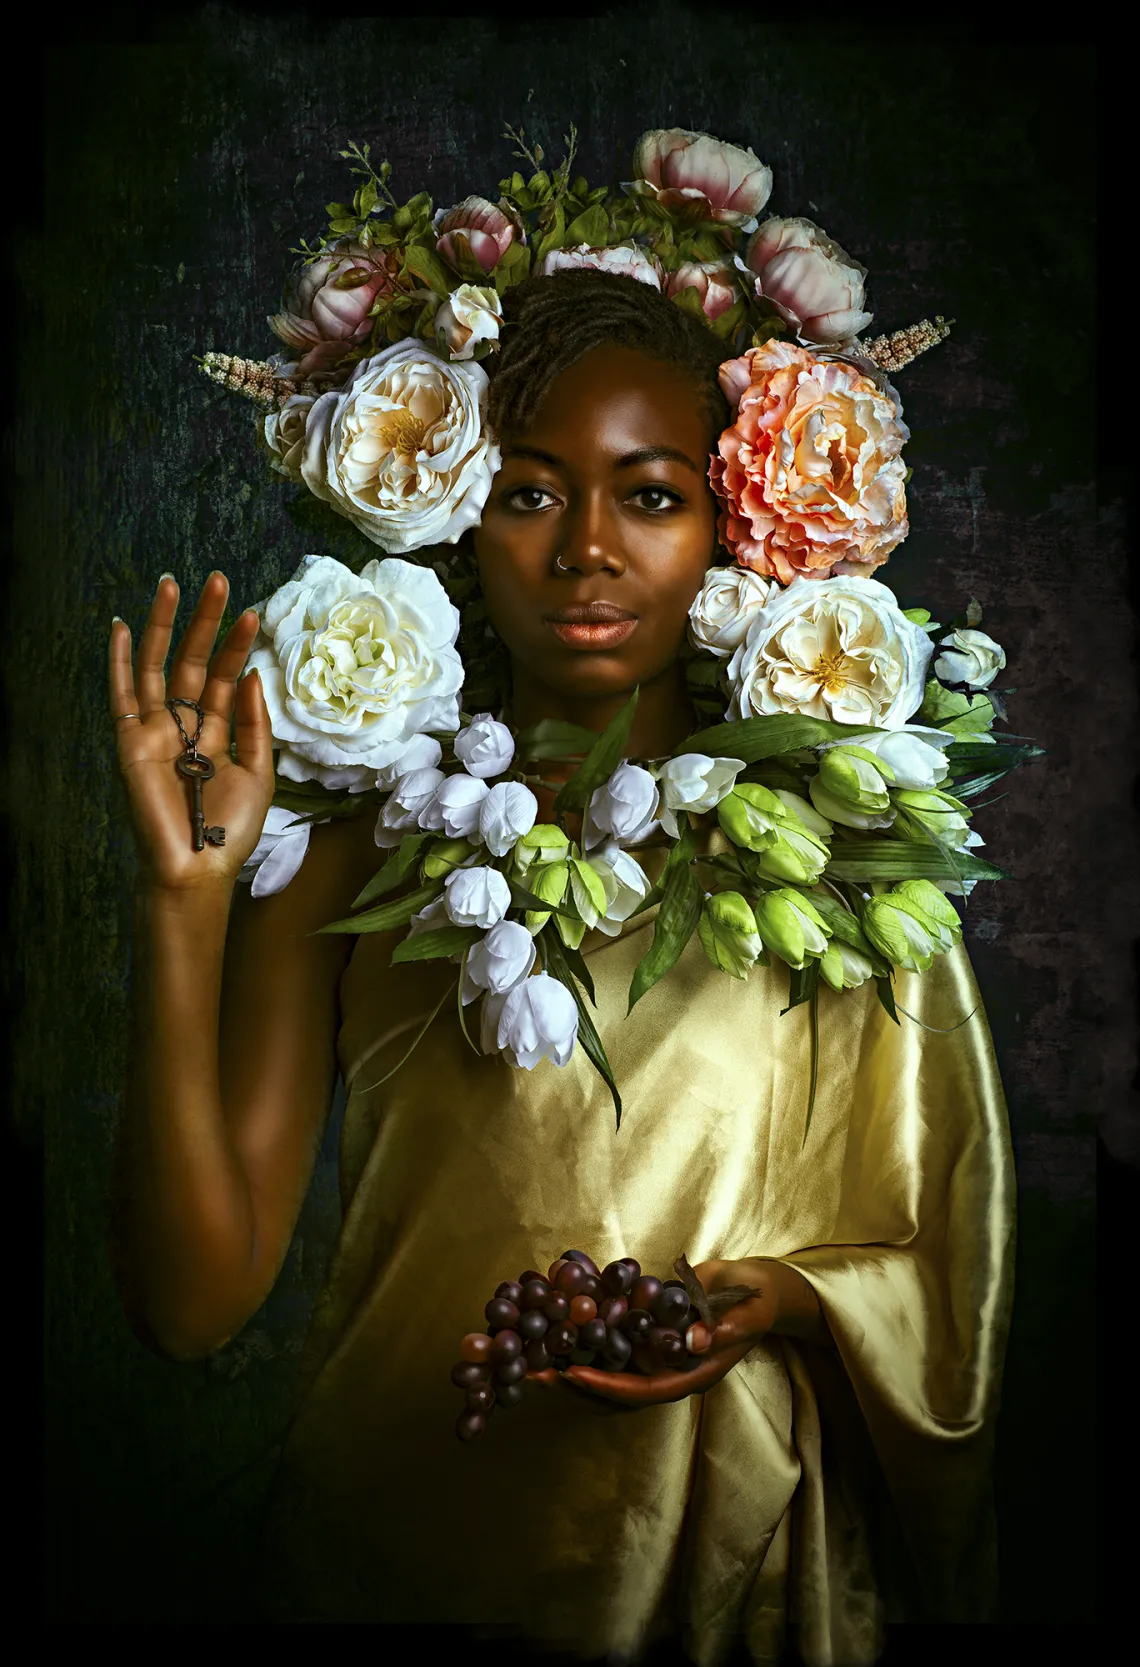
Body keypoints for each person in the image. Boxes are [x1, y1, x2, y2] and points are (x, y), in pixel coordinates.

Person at [107, 271, 1015, 1662]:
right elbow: (190, 1303)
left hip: (718, 1582)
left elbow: (936, 1264)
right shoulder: (357, 848)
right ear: (458, 521)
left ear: (733, 529)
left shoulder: (833, 861)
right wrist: (186, 905)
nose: (588, 546)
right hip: (388, 1554)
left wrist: (777, 1303)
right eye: (532, 494)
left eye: (649, 494)